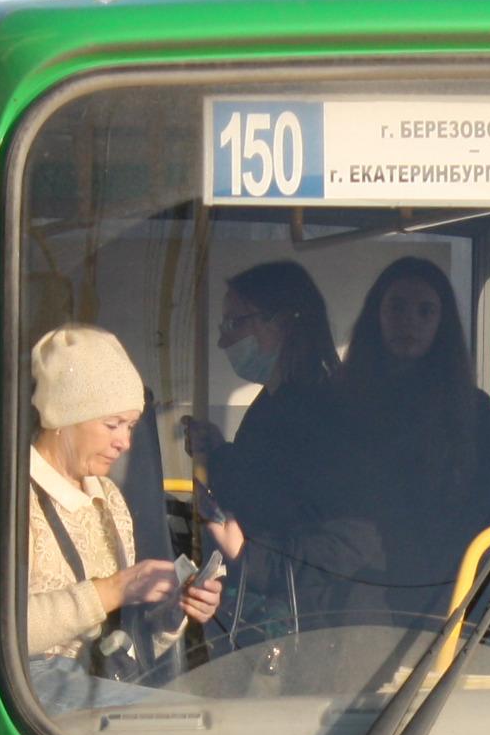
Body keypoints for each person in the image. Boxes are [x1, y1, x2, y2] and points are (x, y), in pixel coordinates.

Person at [337, 256, 490, 620]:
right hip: (356, 596)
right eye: (398, 307)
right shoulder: (339, 404)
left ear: (443, 324)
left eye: (426, 311)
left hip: (456, 597)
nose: (410, 321)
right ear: (377, 314)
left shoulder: (475, 412)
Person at [22, 325, 219, 669]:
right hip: (28, 702)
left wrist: (172, 613)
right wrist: (112, 591)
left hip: (100, 687)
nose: (125, 443)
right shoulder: (11, 499)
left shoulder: (109, 498)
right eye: (113, 425)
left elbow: (126, 642)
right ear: (64, 416)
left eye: (130, 427)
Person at [178, 260, 357, 628]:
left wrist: (245, 552)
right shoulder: (276, 399)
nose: (223, 340)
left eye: (235, 323)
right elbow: (262, 479)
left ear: (282, 321)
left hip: (299, 615)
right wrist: (218, 451)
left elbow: (310, 522)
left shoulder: (323, 408)